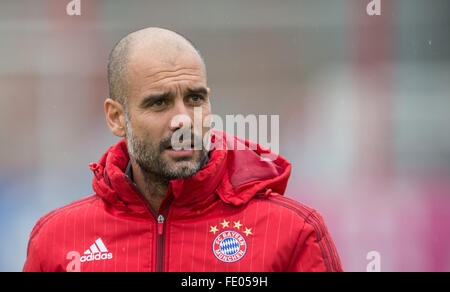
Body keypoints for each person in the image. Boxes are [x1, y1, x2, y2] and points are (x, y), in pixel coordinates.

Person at [23, 27, 342, 272]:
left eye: (195, 99)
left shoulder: (291, 231)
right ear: (117, 118)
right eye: (159, 102)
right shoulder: (57, 238)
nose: (183, 120)